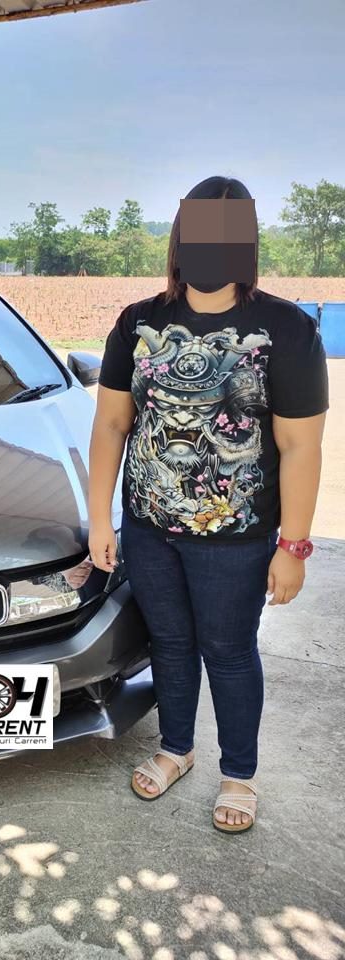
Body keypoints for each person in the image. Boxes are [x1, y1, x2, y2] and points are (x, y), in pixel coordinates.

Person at [88, 175, 329, 833]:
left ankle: (238, 773)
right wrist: (100, 517)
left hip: (237, 538)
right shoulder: (138, 323)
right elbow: (111, 425)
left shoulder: (286, 328)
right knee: (169, 642)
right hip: (148, 528)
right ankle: (177, 749)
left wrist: (294, 546)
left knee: (228, 650)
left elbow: (300, 447)